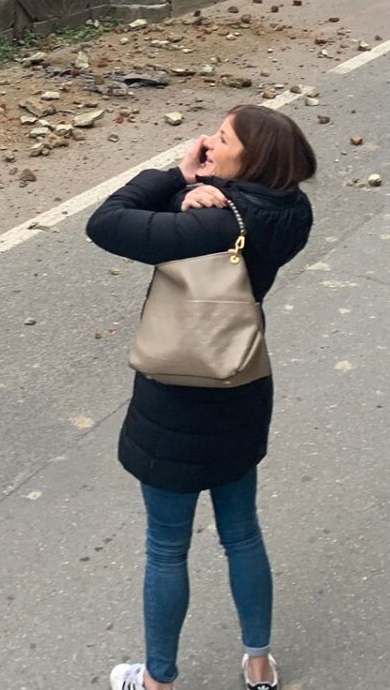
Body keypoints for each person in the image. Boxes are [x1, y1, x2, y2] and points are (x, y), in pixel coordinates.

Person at [88, 105, 317, 690]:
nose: (208, 141)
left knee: (166, 548)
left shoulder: (217, 223)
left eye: (222, 137)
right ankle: (259, 665)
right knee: (242, 532)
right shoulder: (291, 209)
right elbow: (234, 228)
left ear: (253, 158)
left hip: (176, 397)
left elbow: (108, 223)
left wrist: (176, 177)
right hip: (241, 384)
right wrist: (202, 188)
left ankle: (158, 680)